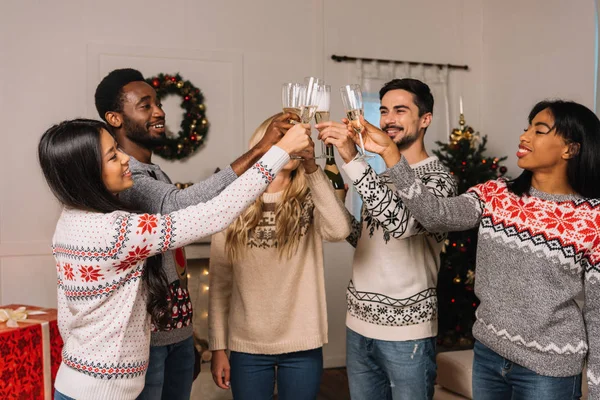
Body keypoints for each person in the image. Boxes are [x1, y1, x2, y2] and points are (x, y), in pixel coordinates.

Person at [345, 99, 600, 399]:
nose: (524, 136)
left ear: (571, 148)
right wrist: (391, 154)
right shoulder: (495, 194)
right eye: (526, 128)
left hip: (548, 369)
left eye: (539, 130)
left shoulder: (592, 219)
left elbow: (597, 315)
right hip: (489, 356)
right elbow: (433, 214)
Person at [39, 118, 310, 400]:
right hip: (104, 392)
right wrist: (279, 152)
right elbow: (216, 213)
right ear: (88, 173)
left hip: (74, 380)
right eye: (112, 156)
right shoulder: (117, 232)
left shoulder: (69, 221)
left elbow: (66, 316)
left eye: (118, 149)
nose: (125, 159)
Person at [94, 68, 300, 399]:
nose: (159, 111)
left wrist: (187, 332)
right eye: (145, 105)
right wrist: (264, 151)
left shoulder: (153, 170)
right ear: (115, 118)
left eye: (158, 103)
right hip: (147, 339)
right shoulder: (127, 177)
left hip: (176, 331)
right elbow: (180, 206)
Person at [317, 78, 456, 399]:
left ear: (425, 119)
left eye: (400, 110)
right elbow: (365, 237)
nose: (388, 119)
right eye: (383, 110)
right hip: (358, 322)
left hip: (407, 332)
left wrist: (352, 159)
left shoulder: (440, 179)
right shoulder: (378, 177)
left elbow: (403, 225)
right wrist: (336, 206)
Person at [207, 113, 351, 399]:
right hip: (246, 344)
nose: (293, 145)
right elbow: (221, 280)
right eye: (285, 137)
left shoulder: (312, 195)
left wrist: (312, 167)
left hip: (302, 341)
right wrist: (218, 348)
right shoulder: (234, 200)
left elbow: (338, 230)